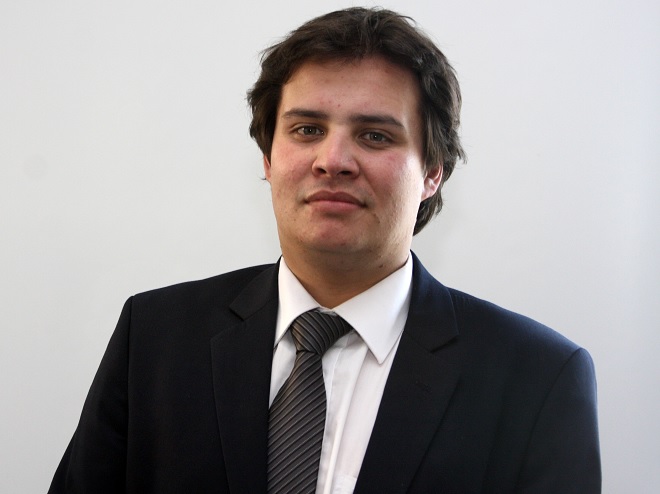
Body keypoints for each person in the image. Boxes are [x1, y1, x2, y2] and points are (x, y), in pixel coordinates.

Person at [49, 7, 601, 493]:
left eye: (375, 135)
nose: (332, 160)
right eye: (307, 129)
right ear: (268, 159)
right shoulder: (154, 339)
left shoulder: (538, 380)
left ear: (433, 172)